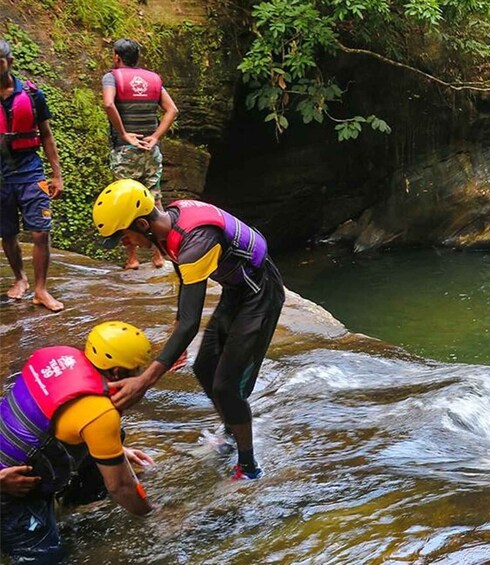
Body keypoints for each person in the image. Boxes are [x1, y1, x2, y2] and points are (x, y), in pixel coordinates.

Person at [92, 180, 285, 480]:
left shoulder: (197, 240)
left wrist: (144, 381)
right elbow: (185, 282)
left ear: (142, 223)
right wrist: (177, 329)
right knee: (205, 367)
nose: (124, 243)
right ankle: (232, 433)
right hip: (237, 291)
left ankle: (248, 467)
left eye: (124, 235)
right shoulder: (167, 227)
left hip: (260, 294)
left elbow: (191, 323)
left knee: (226, 386)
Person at [0, 322, 155, 562]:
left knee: (115, 439)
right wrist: (153, 516)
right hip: (11, 487)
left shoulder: (56, 356)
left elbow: (47, 415)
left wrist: (116, 449)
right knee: (45, 556)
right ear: (116, 372)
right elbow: (121, 487)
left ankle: (72, 506)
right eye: (136, 370)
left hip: (11, 458)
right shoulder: (99, 413)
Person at [102, 38, 179, 270]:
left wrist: (124, 133)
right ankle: (159, 256)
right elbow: (172, 109)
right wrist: (155, 137)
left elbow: (108, 104)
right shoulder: (154, 79)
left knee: (124, 204)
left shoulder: (112, 77)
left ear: (117, 56)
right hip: (150, 150)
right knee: (154, 199)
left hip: (126, 151)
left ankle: (133, 259)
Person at [0, 39, 64, 312]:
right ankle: (19, 278)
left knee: (40, 232)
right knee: (7, 233)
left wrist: (57, 175)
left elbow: (47, 136)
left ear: (10, 62)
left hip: (30, 170)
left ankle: (41, 289)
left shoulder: (33, 95)